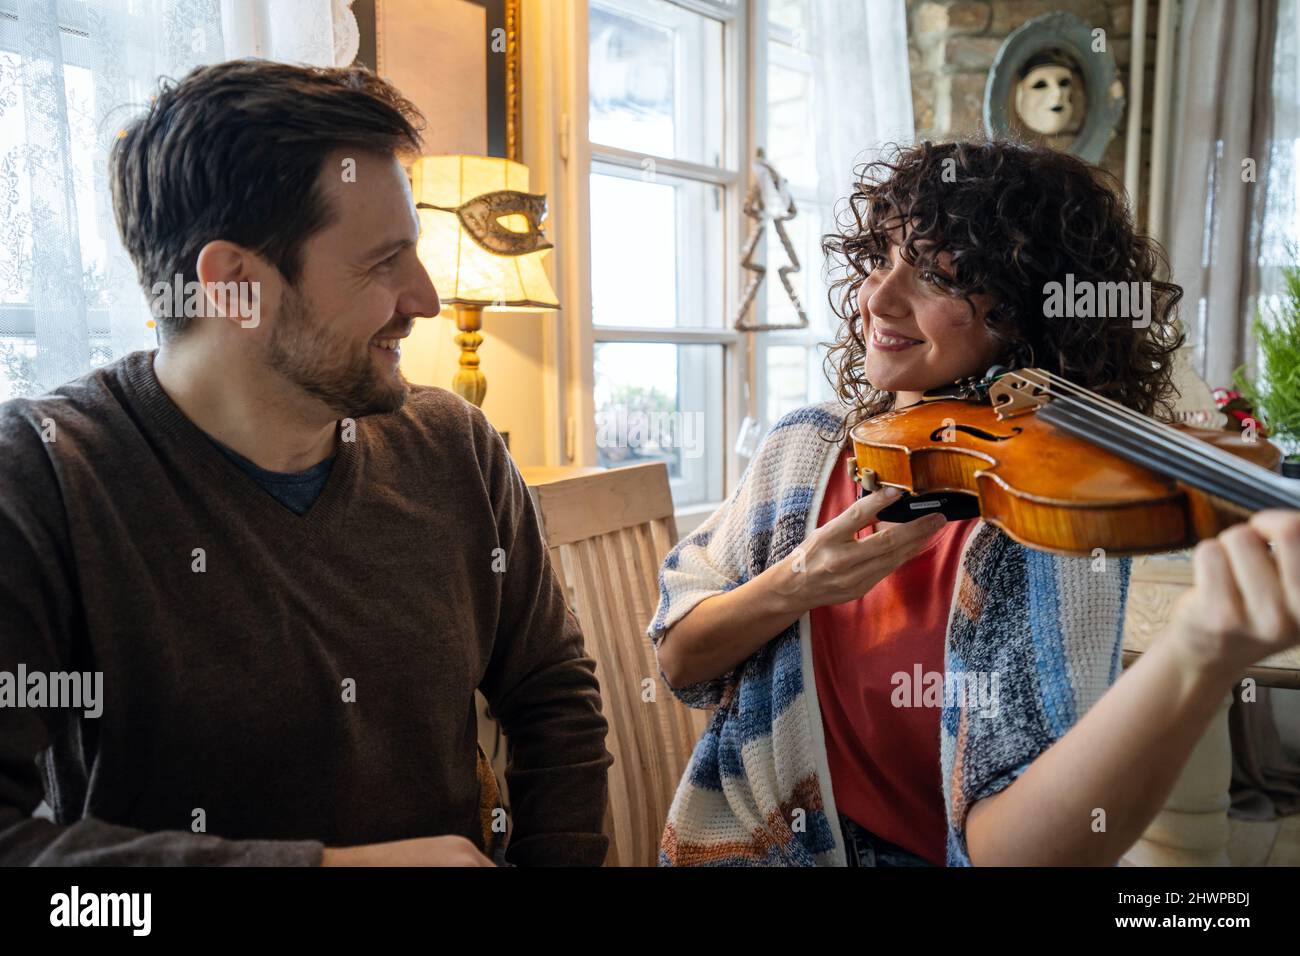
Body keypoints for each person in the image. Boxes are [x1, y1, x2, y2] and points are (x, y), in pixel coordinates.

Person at [0, 60, 611, 866]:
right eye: (381, 262)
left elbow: (555, 699)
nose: (424, 298)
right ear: (235, 285)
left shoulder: (456, 448)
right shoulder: (43, 480)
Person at [648, 139, 1300, 867]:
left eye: (933, 275)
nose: (879, 299)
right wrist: (796, 583)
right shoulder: (805, 450)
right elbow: (678, 659)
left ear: (1021, 311)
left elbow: (1010, 855)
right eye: (880, 259)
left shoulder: (1048, 511)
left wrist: (1197, 653)